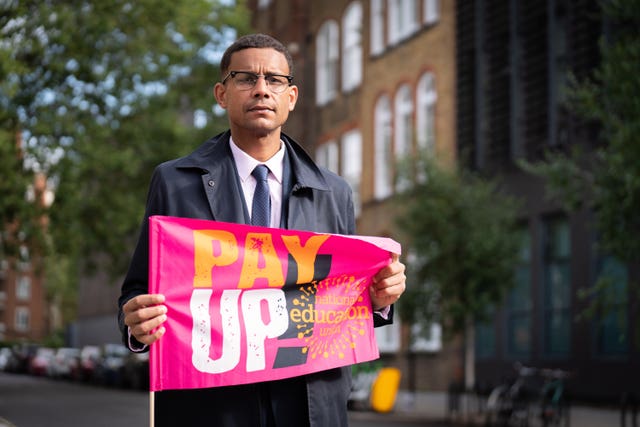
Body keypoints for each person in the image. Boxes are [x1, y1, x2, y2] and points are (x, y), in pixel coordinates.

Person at [118, 33, 406, 427]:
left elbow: (341, 303)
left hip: (307, 404)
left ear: (291, 97)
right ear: (222, 94)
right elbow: (136, 291)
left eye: (274, 80)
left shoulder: (334, 192)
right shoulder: (174, 181)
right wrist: (135, 324)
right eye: (245, 78)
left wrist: (378, 298)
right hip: (211, 408)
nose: (261, 90)